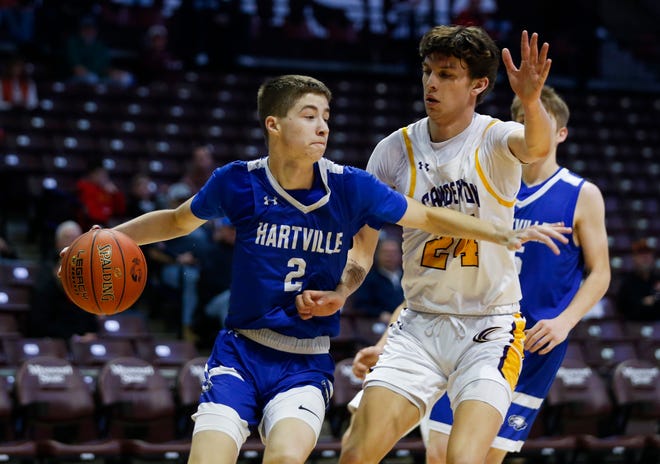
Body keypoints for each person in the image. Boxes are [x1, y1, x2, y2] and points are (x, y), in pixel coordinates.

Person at [61, 74, 569, 464]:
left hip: (305, 361)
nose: (323, 125)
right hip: (240, 349)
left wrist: (498, 230)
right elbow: (174, 221)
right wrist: (102, 239)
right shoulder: (238, 183)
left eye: (326, 115)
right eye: (309, 115)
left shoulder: (349, 186)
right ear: (274, 125)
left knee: (285, 456)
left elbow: (428, 215)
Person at [299, 26, 556, 464]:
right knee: (356, 453)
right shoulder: (392, 151)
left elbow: (536, 145)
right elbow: (363, 249)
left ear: (478, 84)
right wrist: (341, 291)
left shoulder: (495, 138)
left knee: (462, 458)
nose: (431, 84)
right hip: (419, 325)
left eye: (447, 74)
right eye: (427, 71)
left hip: (489, 327)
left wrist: (531, 101)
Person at [415, 85, 611, 463]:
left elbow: (600, 273)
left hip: (532, 341)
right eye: (522, 120)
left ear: (560, 133)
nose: (529, 127)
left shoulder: (582, 193)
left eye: (539, 120)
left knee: (487, 456)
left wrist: (564, 323)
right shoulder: (488, 182)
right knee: (440, 451)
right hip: (473, 328)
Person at [29, 220, 99, 340]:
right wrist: (71, 336)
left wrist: (91, 332)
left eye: (77, 238)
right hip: (54, 338)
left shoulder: (88, 270)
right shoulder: (46, 271)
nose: (73, 242)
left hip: (82, 339)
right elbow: (39, 320)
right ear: (57, 242)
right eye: (68, 237)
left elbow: (90, 315)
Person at [348, 236, 404, 323]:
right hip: (377, 322)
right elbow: (361, 305)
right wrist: (379, 314)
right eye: (386, 252)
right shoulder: (367, 278)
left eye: (394, 253)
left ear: (401, 255)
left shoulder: (408, 277)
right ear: (377, 254)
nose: (390, 256)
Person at [75, 159, 126, 230]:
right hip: (91, 225)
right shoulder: (85, 187)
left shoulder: (108, 189)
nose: (103, 176)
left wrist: (116, 194)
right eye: (99, 173)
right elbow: (91, 213)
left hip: (108, 224)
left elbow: (121, 211)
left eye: (104, 173)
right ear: (92, 174)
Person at [616, 238, 659, 322]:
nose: (645, 257)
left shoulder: (657, 279)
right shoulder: (627, 281)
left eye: (648, 253)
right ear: (634, 258)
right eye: (641, 254)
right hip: (632, 327)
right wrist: (644, 302)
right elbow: (623, 308)